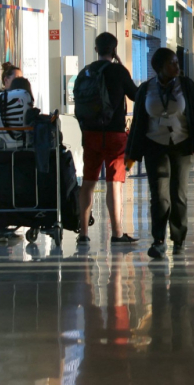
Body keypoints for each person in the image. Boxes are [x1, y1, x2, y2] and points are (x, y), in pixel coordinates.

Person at [125, 47, 194, 259]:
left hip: (181, 145)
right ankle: (159, 240)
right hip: (155, 144)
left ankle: (179, 239)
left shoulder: (187, 86)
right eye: (172, 63)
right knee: (159, 196)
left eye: (176, 62)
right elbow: (138, 122)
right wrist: (132, 154)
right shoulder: (146, 89)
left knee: (179, 194)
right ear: (160, 67)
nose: (177, 66)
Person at [75, 33, 139, 246]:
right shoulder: (118, 71)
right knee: (114, 183)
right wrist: (122, 68)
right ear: (114, 50)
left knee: (88, 182)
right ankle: (117, 233)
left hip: (90, 134)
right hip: (114, 134)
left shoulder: (85, 72)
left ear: (96, 48)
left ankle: (83, 233)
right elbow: (135, 95)